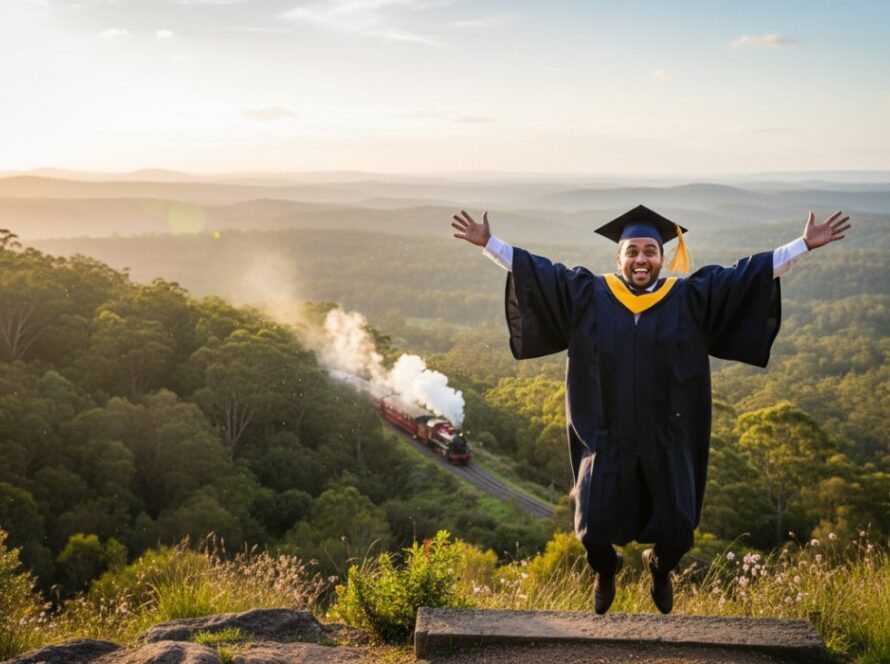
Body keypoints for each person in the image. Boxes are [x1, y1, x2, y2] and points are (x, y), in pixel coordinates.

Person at [451, 204, 850, 615]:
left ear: (662, 257)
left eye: (649, 251)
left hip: (669, 436)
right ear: (618, 257)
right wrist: (489, 243)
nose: (641, 259)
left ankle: (659, 567)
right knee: (591, 529)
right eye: (632, 251)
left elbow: (748, 275)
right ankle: (606, 570)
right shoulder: (588, 295)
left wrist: (803, 245)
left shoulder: (690, 298)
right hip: (606, 436)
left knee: (679, 532)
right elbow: (537, 273)